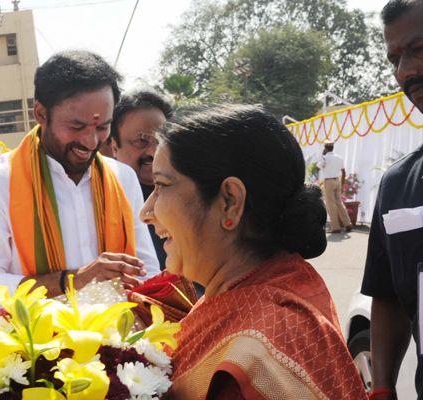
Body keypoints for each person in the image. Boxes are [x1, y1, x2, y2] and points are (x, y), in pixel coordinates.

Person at [141, 104, 366, 399]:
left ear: (230, 201)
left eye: (161, 185)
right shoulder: (256, 289)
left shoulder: (263, 348)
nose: (146, 212)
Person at [0, 50, 160, 309]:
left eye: (102, 127)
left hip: (120, 341)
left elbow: (147, 272)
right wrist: (72, 282)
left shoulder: (122, 177)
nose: (91, 142)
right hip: (35, 346)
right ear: (41, 114)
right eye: (76, 127)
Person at [362, 1, 423, 399]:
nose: (404, 72)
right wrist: (382, 386)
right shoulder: (397, 184)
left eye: (417, 49)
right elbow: (388, 296)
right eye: (395, 59)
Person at [110, 89, 172, 268]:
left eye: (161, 141)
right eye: (141, 141)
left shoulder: (188, 194)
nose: (153, 152)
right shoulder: (102, 201)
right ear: (114, 146)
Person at [319, 141, 353, 233]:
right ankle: (348, 224)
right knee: (339, 203)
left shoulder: (324, 157)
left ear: (325, 148)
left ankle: (335, 227)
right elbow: (343, 172)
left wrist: (323, 156)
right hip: (337, 181)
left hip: (328, 181)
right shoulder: (339, 157)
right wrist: (341, 185)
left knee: (331, 205)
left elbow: (318, 167)